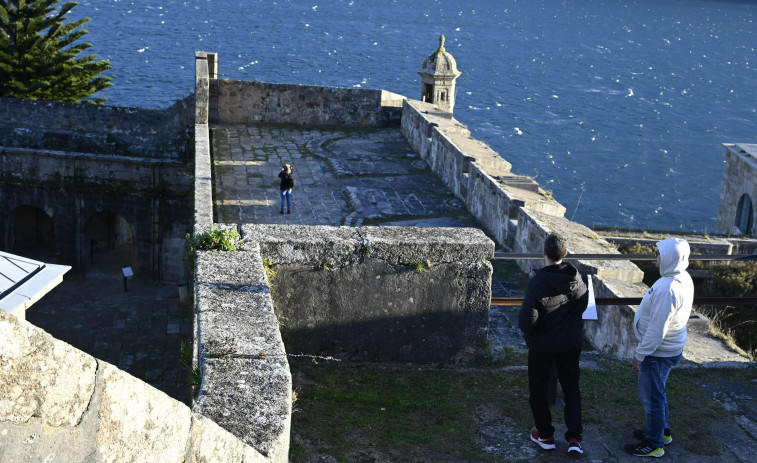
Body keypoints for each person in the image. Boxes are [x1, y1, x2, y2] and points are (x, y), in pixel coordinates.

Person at [519, 233, 589, 456]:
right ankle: (575, 439)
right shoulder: (578, 279)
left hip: (543, 345)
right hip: (570, 342)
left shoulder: (538, 282)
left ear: (544, 253)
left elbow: (528, 321)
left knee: (538, 388)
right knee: (571, 388)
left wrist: (533, 333)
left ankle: (545, 434)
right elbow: (582, 307)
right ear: (565, 254)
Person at [625, 238, 693, 458]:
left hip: (658, 353)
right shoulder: (681, 277)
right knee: (658, 393)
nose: (656, 255)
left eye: (660, 253)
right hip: (670, 349)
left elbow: (657, 330)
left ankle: (654, 444)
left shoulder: (668, 288)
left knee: (652, 399)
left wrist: (640, 355)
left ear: (671, 258)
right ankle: (662, 432)